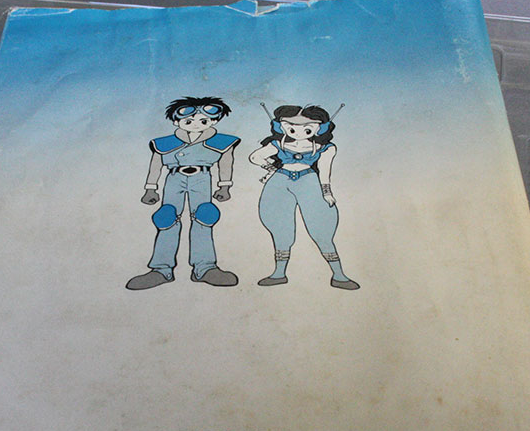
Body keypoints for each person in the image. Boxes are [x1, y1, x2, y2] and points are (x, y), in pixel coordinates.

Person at [128, 94, 239, 286]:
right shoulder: (164, 143)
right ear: (176, 122)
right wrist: (151, 188)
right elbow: (156, 164)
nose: (196, 125)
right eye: (188, 121)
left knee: (204, 216)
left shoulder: (221, 142)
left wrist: (224, 185)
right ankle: (161, 269)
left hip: (202, 178)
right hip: (174, 178)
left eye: (203, 120)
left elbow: (226, 162)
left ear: (213, 121)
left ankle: (204, 267)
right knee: (167, 218)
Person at [252, 104, 359, 287]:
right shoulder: (278, 144)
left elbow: (324, 171)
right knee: (280, 227)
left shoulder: (325, 148)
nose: (299, 131)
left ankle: (339, 275)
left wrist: (326, 192)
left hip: (309, 181)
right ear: (281, 126)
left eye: (307, 128)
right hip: (280, 181)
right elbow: (255, 157)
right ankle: (279, 273)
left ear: (320, 128)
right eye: (292, 126)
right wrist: (272, 168)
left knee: (322, 228)